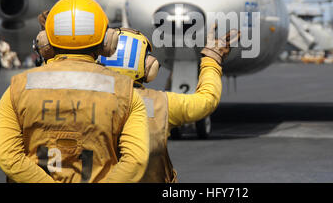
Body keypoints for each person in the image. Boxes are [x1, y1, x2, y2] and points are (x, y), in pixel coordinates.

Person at [0, 0, 150, 183]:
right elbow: (136, 161)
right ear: (107, 41)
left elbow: (7, 156)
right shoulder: (127, 93)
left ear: (44, 42)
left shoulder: (16, 89)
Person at [99, 26, 239, 183]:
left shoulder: (88, 101)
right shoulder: (162, 103)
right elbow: (207, 101)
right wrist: (212, 59)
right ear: (146, 65)